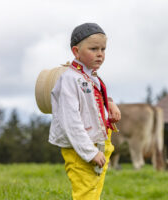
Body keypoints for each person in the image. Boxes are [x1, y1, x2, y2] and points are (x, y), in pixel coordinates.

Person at [49, 23, 121, 200]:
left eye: (103, 49)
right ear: (76, 51)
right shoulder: (70, 79)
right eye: (93, 48)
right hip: (80, 149)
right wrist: (89, 152)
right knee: (85, 193)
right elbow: (70, 120)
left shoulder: (90, 76)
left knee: (94, 190)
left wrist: (109, 103)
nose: (100, 54)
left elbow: (91, 101)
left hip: (98, 143)